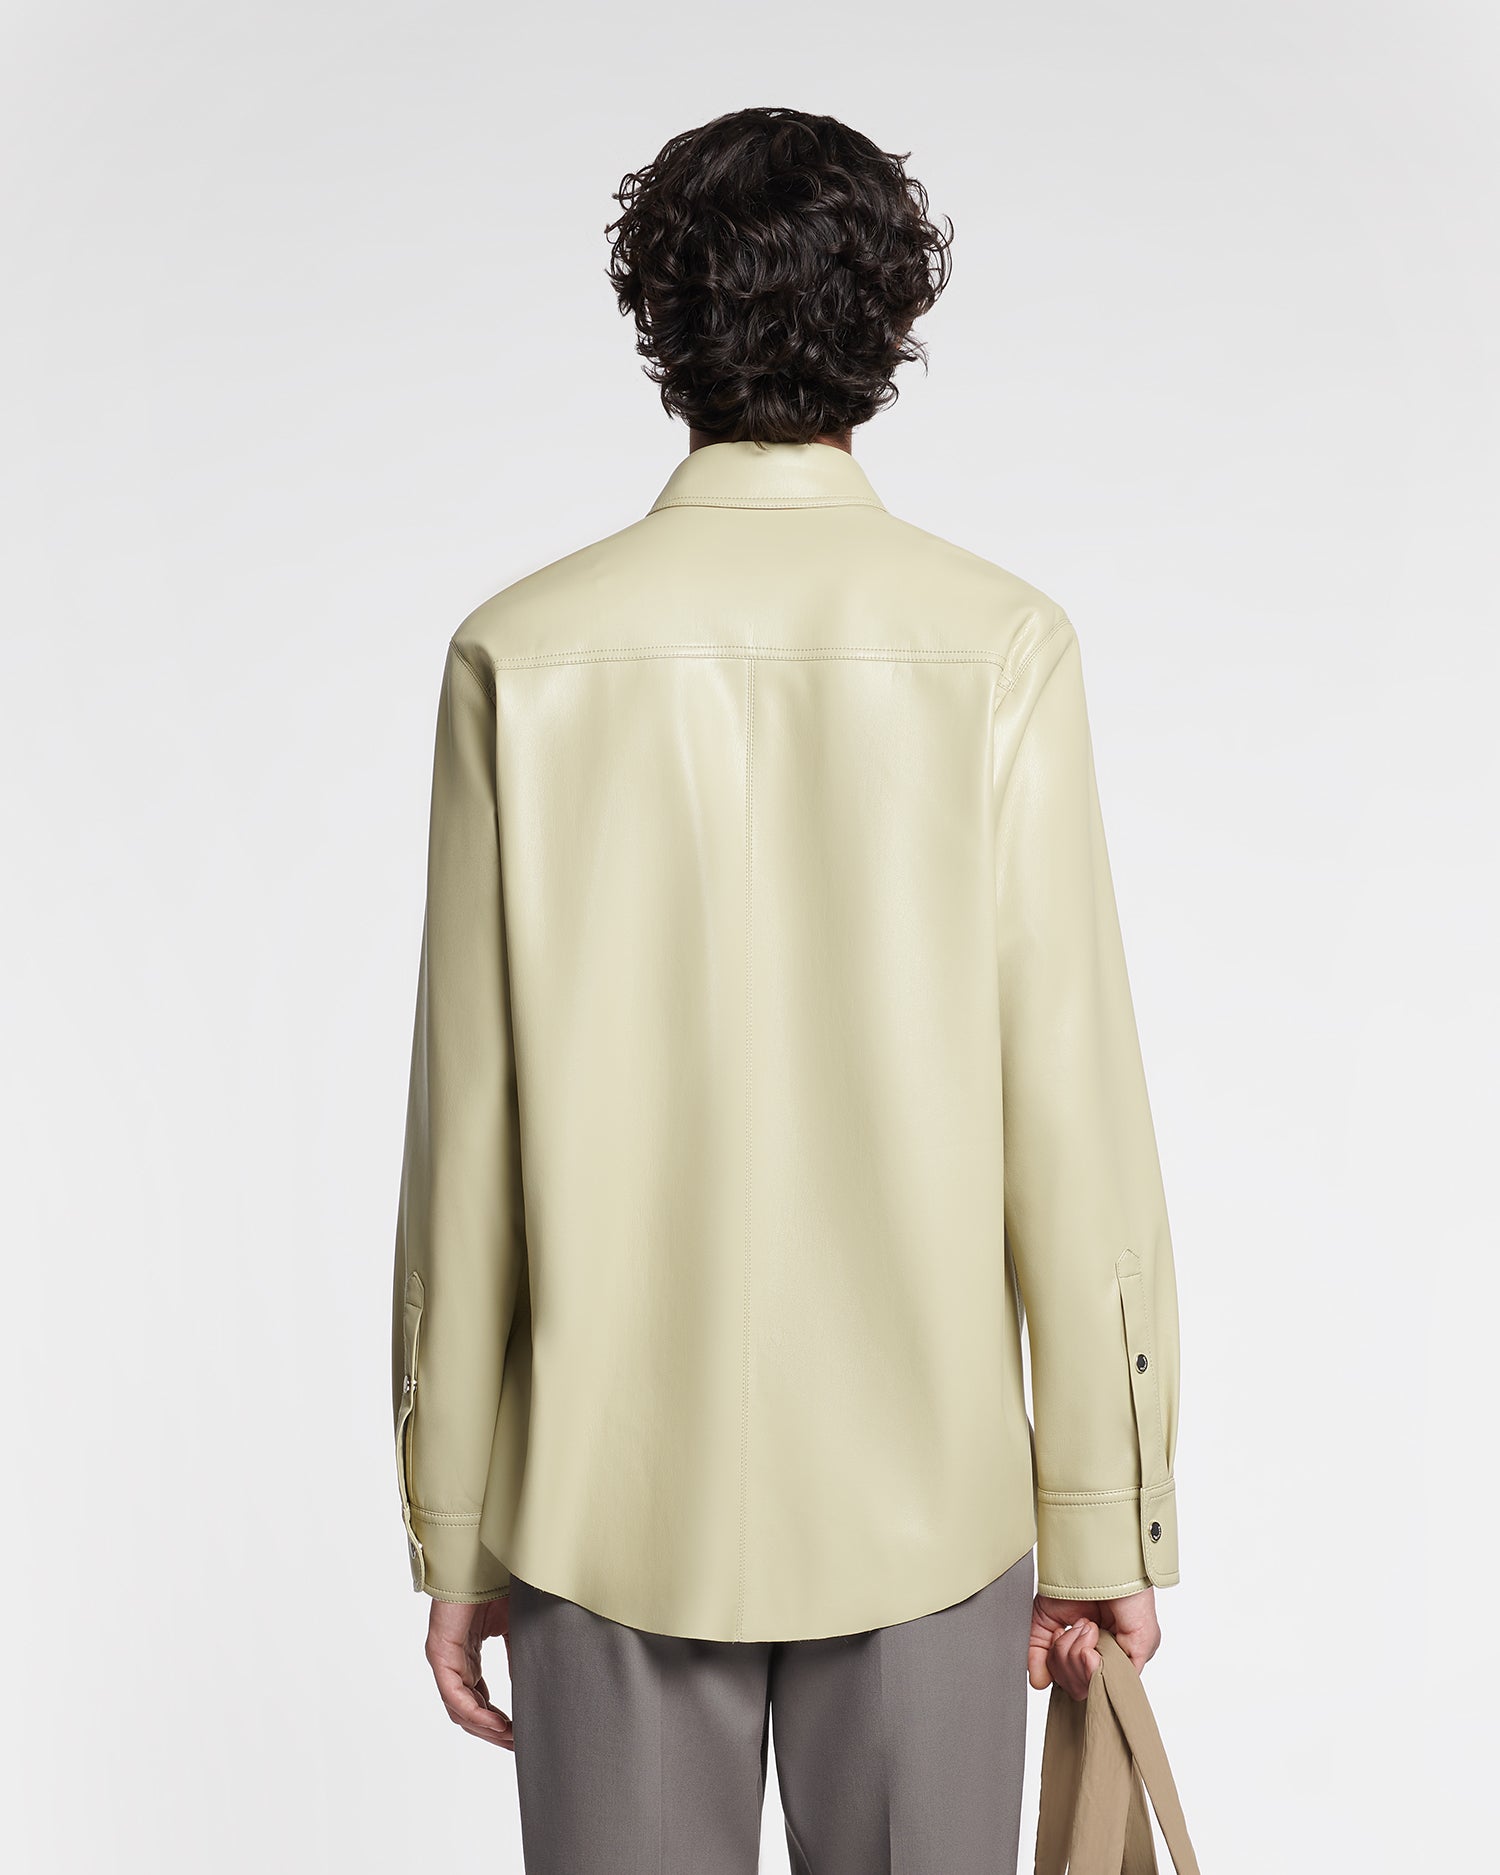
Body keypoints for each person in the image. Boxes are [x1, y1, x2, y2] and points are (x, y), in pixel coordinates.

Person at [390, 105, 1182, 1874]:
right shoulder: (1000, 645)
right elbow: (1071, 1118)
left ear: (657, 325)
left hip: (597, 1503)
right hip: (932, 1505)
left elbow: (469, 1133)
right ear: (892, 326)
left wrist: (454, 1524)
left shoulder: (518, 652)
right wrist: (1106, 1513)